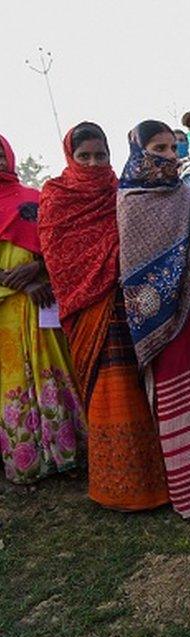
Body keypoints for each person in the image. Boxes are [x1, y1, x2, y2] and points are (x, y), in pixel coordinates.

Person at [39, 122, 169, 511]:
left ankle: (156, 481)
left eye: (101, 156)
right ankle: (117, 486)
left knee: (141, 388)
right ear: (70, 157)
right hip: (90, 309)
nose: (94, 164)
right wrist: (103, 268)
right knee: (109, 393)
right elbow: (58, 256)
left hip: (130, 304)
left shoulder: (123, 190)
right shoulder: (56, 196)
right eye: (85, 157)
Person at [116, 120, 190, 526]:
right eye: (159, 148)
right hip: (163, 319)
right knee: (179, 403)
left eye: (172, 147)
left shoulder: (184, 193)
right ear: (137, 150)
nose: (169, 156)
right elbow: (134, 270)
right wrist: (182, 272)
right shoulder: (131, 200)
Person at [0, 133, 85, 485]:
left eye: (0, 155)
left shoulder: (36, 200)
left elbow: (60, 246)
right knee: (12, 382)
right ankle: (26, 461)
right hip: (5, 311)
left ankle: (70, 453)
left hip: (43, 305)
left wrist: (39, 271)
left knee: (54, 371)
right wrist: (13, 280)